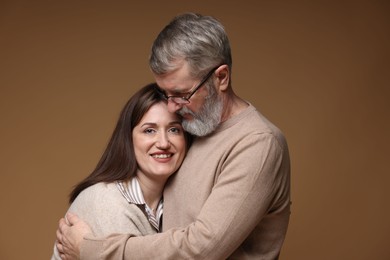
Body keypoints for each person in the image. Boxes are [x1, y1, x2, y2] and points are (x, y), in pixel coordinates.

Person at [56, 12, 291, 259]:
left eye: (181, 94)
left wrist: (92, 249)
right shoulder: (195, 126)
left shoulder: (259, 144)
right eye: (166, 94)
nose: (172, 107)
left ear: (221, 77)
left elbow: (202, 248)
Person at [52, 83, 190, 259]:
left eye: (174, 130)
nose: (163, 143)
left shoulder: (174, 205)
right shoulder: (105, 201)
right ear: (128, 139)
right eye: (149, 130)